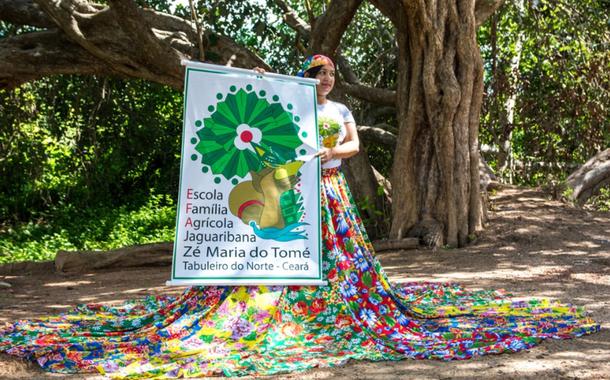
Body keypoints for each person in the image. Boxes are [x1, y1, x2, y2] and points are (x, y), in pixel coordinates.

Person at [0, 55, 599, 378]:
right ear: (303, 77)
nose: (325, 79)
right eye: (316, 73)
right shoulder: (282, 103)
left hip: (330, 197)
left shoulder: (338, 110)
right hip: (287, 196)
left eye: (331, 72)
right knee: (279, 256)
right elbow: (253, 127)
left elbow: (354, 149)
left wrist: (325, 152)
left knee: (342, 268)